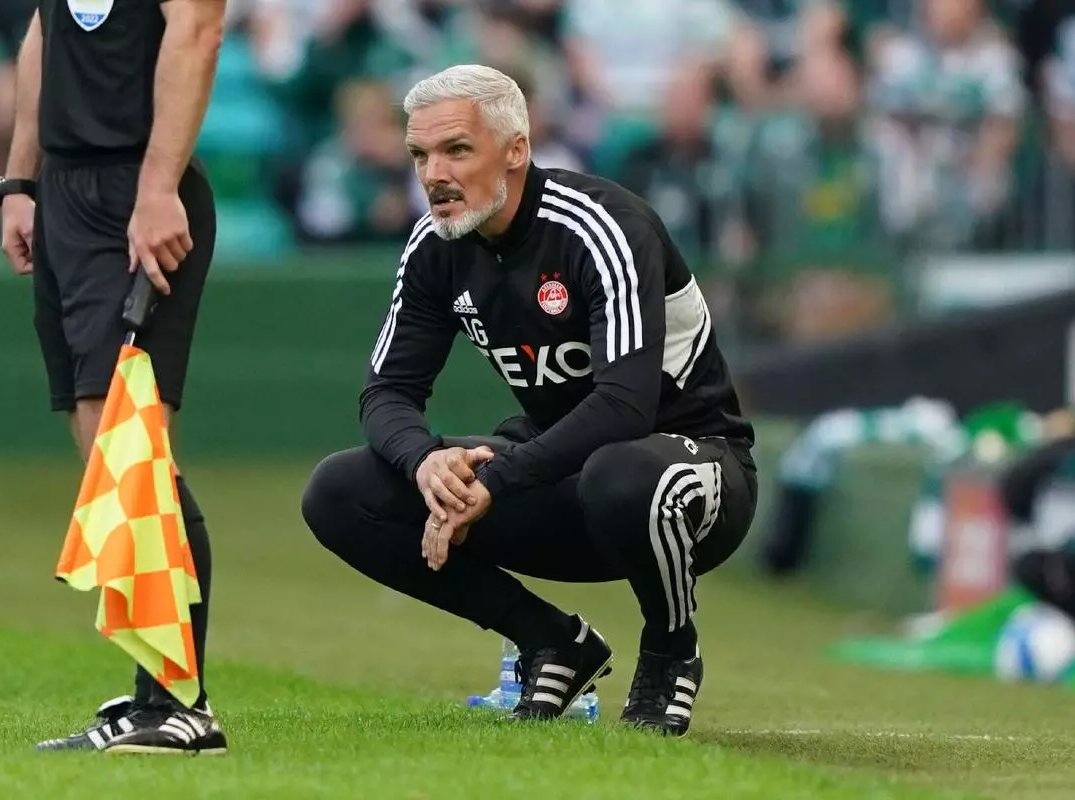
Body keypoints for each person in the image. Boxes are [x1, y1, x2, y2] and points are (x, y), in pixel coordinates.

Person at [301, 64, 759, 737]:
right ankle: (552, 641)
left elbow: (626, 407)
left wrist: (496, 479)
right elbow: (388, 392)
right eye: (420, 155)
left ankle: (669, 651)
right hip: (560, 481)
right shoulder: (436, 244)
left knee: (622, 470)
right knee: (339, 492)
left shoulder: (604, 225)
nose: (433, 175)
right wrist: (426, 462)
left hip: (691, 479)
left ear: (516, 149)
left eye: (457, 149)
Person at [0, 0, 227, 754]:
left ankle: (180, 704)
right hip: (65, 189)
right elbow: (44, 32)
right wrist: (20, 181)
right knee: (105, 446)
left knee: (132, 447)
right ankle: (155, 692)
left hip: (134, 187)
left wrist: (157, 188)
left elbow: (198, 29)